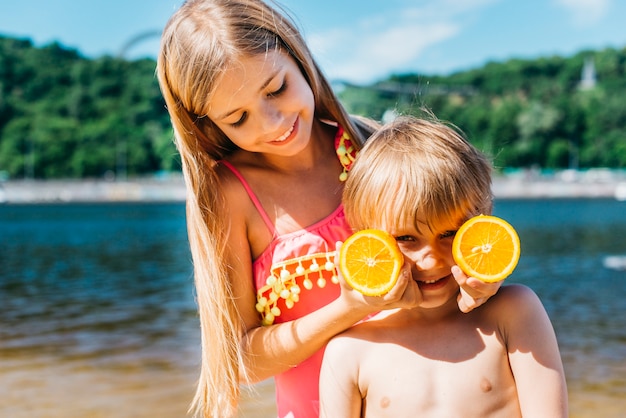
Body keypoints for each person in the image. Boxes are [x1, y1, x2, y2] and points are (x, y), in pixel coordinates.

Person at [156, 1, 504, 416]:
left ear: (298, 57)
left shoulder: (374, 148)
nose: (270, 122)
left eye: (276, 89)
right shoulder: (231, 197)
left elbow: (462, 252)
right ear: (208, 125)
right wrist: (348, 309)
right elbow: (241, 360)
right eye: (238, 117)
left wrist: (480, 287)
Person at [319, 115, 569, 417]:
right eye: (407, 238)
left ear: (480, 225)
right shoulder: (348, 352)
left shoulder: (514, 313)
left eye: (449, 234)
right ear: (368, 242)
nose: (431, 259)